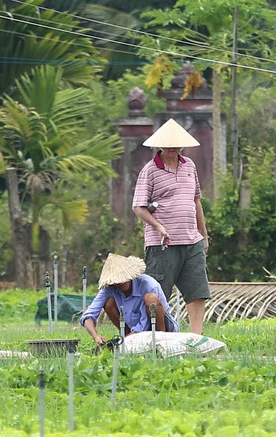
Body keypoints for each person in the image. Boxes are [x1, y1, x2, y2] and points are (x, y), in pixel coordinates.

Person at [130, 120, 210, 336]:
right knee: (157, 292)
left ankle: (197, 337)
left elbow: (196, 201)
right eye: (168, 144)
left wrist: (203, 234)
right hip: (161, 244)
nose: (173, 148)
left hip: (191, 240)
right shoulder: (150, 171)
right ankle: (159, 335)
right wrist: (158, 226)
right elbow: (138, 207)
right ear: (160, 145)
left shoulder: (189, 166)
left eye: (176, 144)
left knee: (197, 290)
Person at [79, 253, 172, 350]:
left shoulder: (148, 284)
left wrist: (123, 342)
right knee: (108, 303)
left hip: (159, 328)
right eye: (116, 281)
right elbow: (88, 316)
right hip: (132, 331)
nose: (120, 283)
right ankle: (129, 343)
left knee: (151, 299)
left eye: (123, 279)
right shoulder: (110, 287)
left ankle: (161, 342)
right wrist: (96, 336)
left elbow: (144, 324)